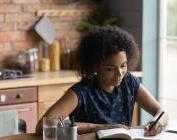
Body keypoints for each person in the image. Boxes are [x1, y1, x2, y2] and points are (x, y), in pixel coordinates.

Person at [35, 25, 168, 136]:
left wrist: (158, 122)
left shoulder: (130, 83)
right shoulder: (81, 92)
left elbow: (162, 112)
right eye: (110, 69)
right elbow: (42, 126)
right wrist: (97, 127)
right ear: (94, 66)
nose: (119, 74)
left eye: (123, 66)